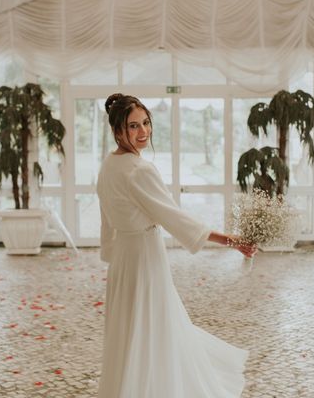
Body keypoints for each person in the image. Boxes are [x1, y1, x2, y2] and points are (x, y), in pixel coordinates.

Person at [96, 93, 256, 398]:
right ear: (118, 131)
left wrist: (111, 251)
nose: (143, 132)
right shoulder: (139, 170)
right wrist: (228, 239)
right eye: (133, 126)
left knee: (130, 331)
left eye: (146, 123)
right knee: (155, 327)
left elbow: (107, 218)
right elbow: (173, 217)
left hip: (123, 261)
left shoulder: (108, 165)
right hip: (143, 257)